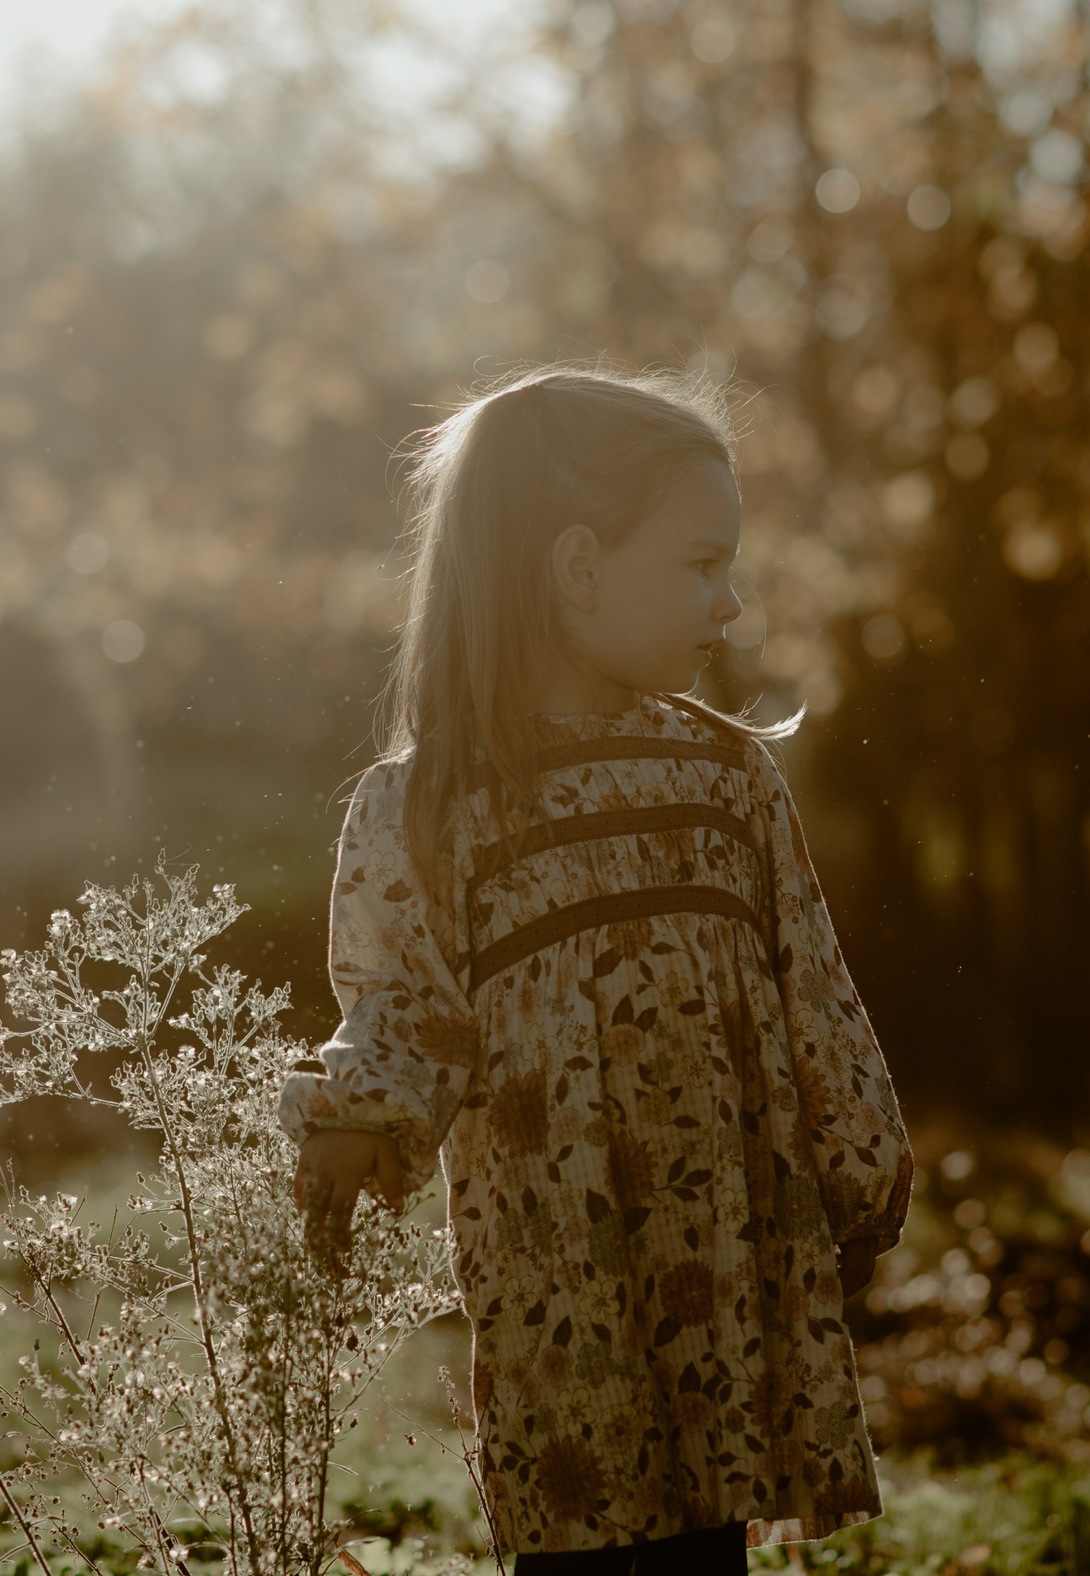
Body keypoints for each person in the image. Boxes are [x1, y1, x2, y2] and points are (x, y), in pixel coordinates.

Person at [277, 366, 912, 1576]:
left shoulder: (725, 780)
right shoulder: (431, 806)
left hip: (726, 1262)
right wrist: (356, 1114)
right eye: (699, 563)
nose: (731, 604)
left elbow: (809, 983)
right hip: (560, 1281)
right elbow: (403, 1002)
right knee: (589, 1545)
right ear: (575, 569)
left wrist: (856, 1151)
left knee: (704, 1541)